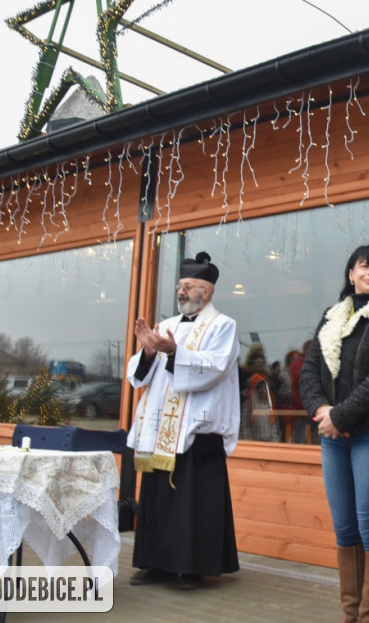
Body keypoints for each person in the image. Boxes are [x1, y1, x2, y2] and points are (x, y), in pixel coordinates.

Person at [299, 244, 369, 623]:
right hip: (332, 434)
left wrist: (341, 417)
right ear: (351, 273)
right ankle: (351, 614)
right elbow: (309, 371)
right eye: (366, 266)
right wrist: (321, 411)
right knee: (345, 526)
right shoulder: (332, 315)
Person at [126, 251, 241, 590]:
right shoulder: (166, 326)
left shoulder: (223, 325)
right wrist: (149, 351)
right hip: (160, 428)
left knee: (194, 503)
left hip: (197, 428)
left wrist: (174, 352)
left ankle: (192, 567)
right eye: (180, 286)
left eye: (189, 286)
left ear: (207, 292)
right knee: (157, 499)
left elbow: (213, 367)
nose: (181, 292)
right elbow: (140, 376)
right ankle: (156, 564)